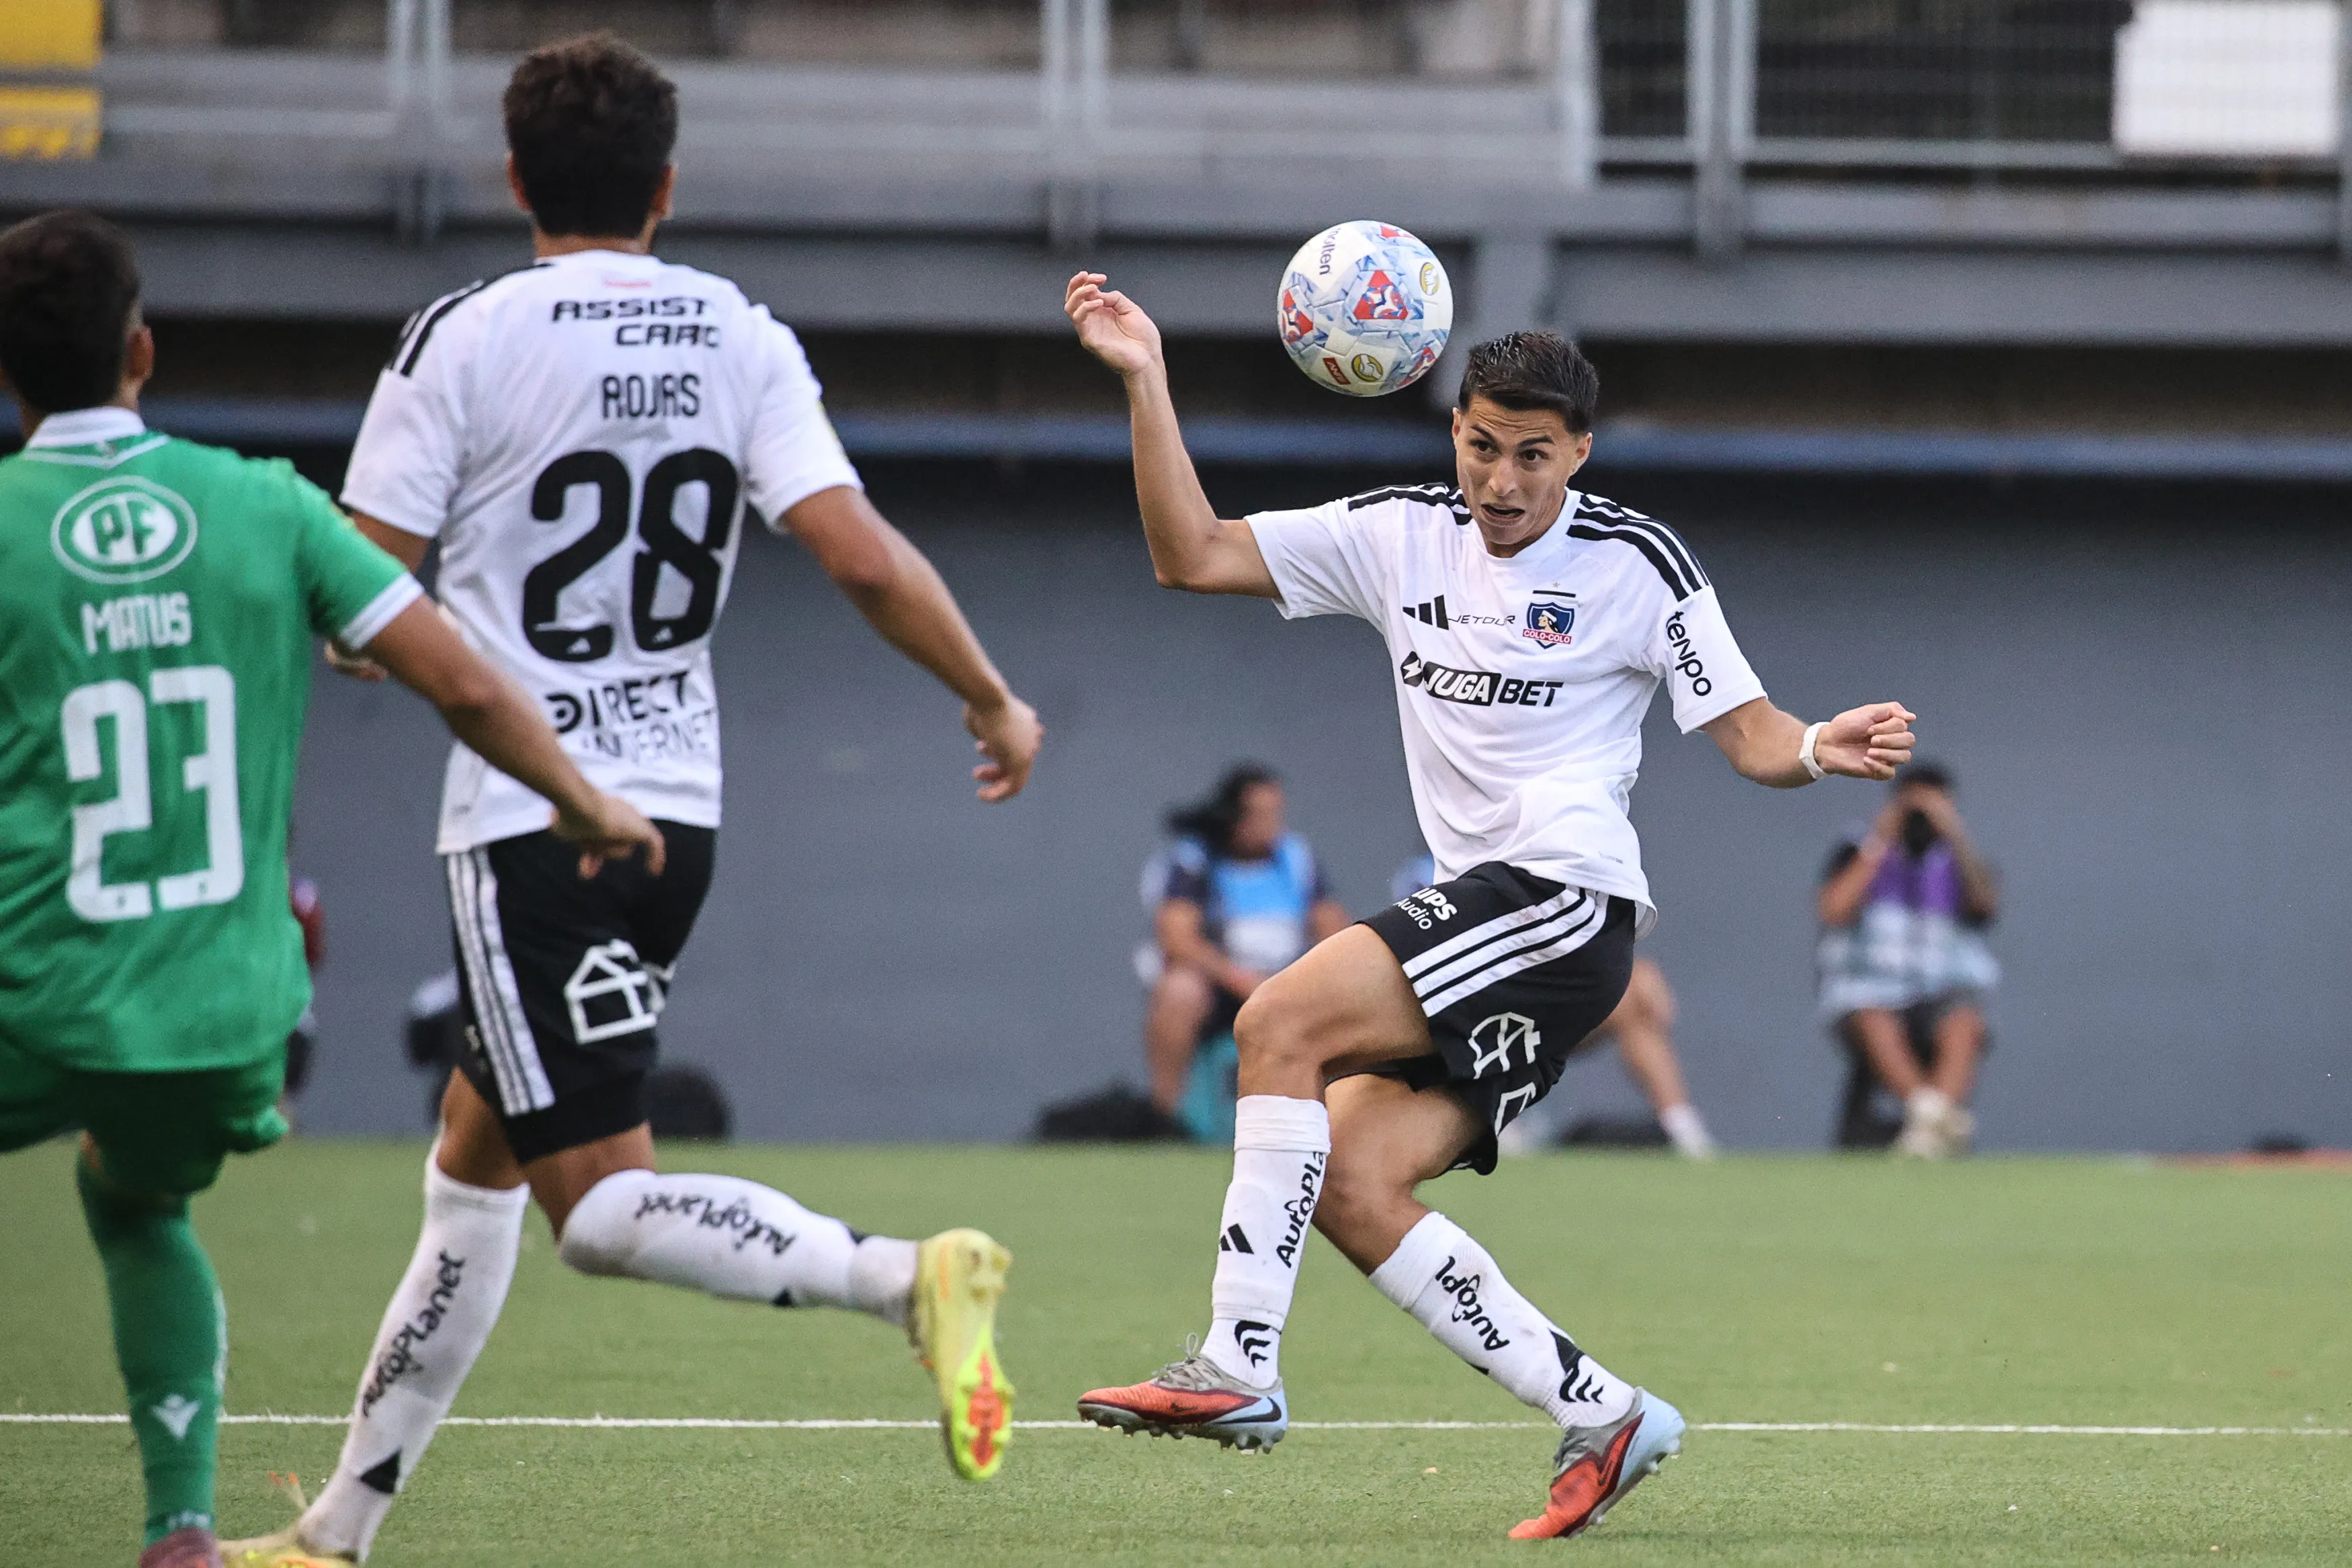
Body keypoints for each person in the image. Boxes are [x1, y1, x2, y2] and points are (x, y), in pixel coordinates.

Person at [229, 36, 1044, 1566]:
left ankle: (907, 1277)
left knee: (599, 1211)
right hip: (682, 814)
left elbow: (360, 581)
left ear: (516, 178)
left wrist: (357, 640)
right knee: (471, 1171)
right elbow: (859, 552)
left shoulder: (461, 336)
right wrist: (990, 693)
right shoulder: (737, 334)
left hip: (536, 819)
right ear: (666, 189)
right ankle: (336, 1533)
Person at [1062, 273, 1915, 1538]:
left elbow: (1746, 731)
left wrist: (1813, 749)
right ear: (1452, 428)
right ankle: (1607, 1410)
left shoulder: (1636, 560)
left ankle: (1239, 1362)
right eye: (1480, 445)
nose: (1501, 480)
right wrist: (1146, 380)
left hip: (1566, 895)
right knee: (1352, 1181)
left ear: (1578, 453)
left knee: (1278, 1020)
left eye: (1532, 455)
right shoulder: (1396, 531)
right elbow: (1190, 554)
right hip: (1503, 916)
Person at [0, 210, 662, 1568]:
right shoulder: (266, 505)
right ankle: (179, 1525)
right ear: (142, 349)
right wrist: (585, 796)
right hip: (218, 1008)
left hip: (33, 982)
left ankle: (190, 1515)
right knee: (134, 1200)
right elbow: (466, 681)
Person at [1392, 853, 1716, 1159]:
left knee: (1637, 993)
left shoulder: (1537, 848)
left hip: (1534, 1002)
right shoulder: (1430, 869)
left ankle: (1684, 1134)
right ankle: (1487, 1126)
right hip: (1463, 1014)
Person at [1142, 765, 1350, 1115]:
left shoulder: (1297, 858)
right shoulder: (1196, 860)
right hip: (1222, 988)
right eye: (1263, 815)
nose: (1274, 824)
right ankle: (1165, 1114)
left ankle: (1333, 1114)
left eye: (1277, 814)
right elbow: (1178, 938)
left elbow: (1333, 928)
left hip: (1287, 983)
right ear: (1234, 818)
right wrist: (1240, 979)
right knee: (1179, 991)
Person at [1818, 760, 1999, 1159]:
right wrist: (1882, 841)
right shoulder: (1859, 848)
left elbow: (1985, 905)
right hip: (1870, 988)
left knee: (1965, 1024)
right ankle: (1935, 1116)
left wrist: (1955, 835)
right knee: (1874, 1018)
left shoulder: (1958, 858)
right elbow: (1833, 911)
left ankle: (1925, 1134)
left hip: (1940, 991)